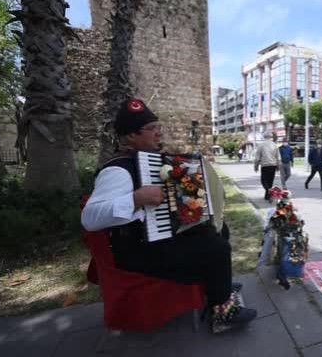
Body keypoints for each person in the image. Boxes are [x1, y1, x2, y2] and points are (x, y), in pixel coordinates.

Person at [81, 98, 257, 333]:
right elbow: (89, 218)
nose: (158, 133)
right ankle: (222, 311)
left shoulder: (153, 161)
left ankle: (218, 286)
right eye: (151, 129)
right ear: (131, 137)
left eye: (158, 127)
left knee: (217, 229)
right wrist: (136, 198)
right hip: (138, 251)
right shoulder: (117, 170)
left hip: (156, 241)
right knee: (217, 248)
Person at [254, 132, 280, 201]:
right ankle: (267, 196)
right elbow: (278, 157)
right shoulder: (275, 145)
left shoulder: (261, 145)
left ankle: (268, 191)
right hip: (273, 165)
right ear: (271, 137)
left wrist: (256, 166)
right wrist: (278, 166)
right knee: (270, 181)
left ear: (264, 137)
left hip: (265, 165)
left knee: (263, 180)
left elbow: (257, 158)